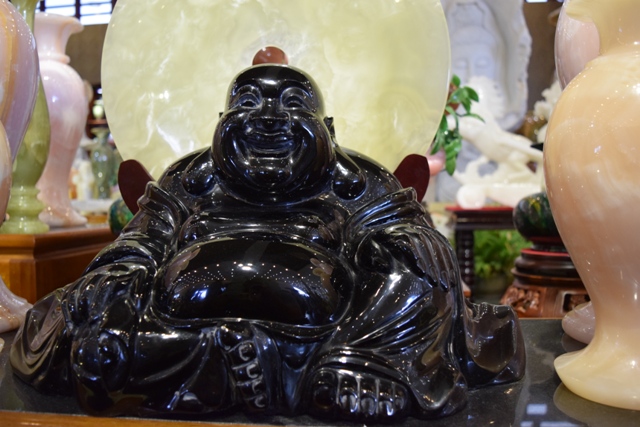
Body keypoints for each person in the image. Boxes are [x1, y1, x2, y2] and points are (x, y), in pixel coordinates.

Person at [11, 64, 524, 421]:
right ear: (221, 124)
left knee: (418, 273)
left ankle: (363, 366)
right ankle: (236, 364)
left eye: (293, 105)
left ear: (327, 130)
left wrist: (394, 248)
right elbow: (142, 242)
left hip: (334, 329)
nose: (269, 118)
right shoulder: (190, 180)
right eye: (248, 104)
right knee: (84, 305)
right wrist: (118, 273)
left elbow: (412, 246)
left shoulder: (357, 182)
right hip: (185, 317)